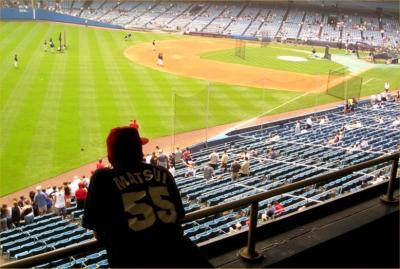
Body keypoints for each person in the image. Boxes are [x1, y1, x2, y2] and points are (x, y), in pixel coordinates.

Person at [83, 127, 211, 268]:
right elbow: (179, 216)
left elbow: (99, 234)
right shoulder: (163, 172)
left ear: (111, 154)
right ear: (139, 150)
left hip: (133, 260)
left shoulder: (102, 178)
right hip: (182, 254)